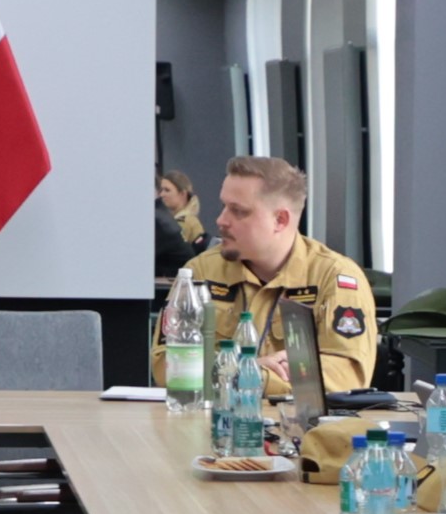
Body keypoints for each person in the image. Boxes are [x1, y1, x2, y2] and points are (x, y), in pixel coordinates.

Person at [156, 157, 376, 395]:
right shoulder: (200, 272)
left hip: (297, 419)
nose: (221, 220)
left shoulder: (333, 277)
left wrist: (256, 377)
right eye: (224, 206)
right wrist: (246, 370)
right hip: (217, 415)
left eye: (238, 211)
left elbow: (348, 377)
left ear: (280, 220)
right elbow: (165, 364)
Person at [152, 168, 205, 279]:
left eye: (167, 190)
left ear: (182, 194)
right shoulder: (168, 219)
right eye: (161, 190)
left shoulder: (183, 223)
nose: (162, 194)